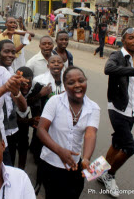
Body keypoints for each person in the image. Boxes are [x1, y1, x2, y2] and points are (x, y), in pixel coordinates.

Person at [98, 27, 134, 197]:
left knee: (117, 142)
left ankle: (95, 172)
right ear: (124, 40)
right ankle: (109, 175)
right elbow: (109, 69)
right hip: (118, 109)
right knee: (128, 147)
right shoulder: (117, 56)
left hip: (132, 110)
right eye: (131, 38)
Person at [37, 66, 100, 199]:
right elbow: (41, 130)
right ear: (65, 85)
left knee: (73, 194)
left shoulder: (93, 108)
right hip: (51, 163)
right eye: (71, 83)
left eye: (81, 81)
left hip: (75, 165)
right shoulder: (55, 101)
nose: (77, 85)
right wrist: (60, 151)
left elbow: (90, 134)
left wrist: (87, 158)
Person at [29, 55, 65, 164]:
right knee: (40, 140)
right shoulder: (39, 81)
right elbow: (30, 101)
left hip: (60, 119)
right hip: (43, 117)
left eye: (59, 62)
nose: (56, 64)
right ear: (48, 65)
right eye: (53, 62)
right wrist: (41, 94)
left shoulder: (68, 81)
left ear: (63, 65)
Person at [15, 66, 34, 170]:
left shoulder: (32, 91)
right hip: (11, 131)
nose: (26, 86)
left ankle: (21, 170)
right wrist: (28, 121)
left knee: (23, 144)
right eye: (22, 84)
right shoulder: (11, 93)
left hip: (23, 129)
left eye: (29, 83)